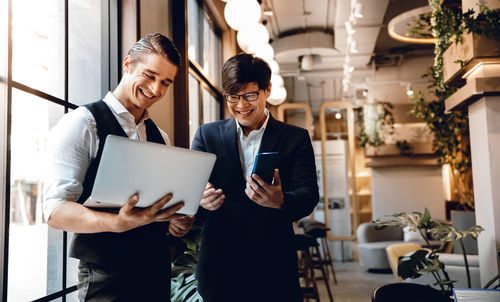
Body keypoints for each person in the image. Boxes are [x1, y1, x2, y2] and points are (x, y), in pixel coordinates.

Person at [43, 33, 195, 302]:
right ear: (127, 64)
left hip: (155, 268)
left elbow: (154, 210)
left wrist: (175, 222)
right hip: (107, 274)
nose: (156, 89)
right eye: (149, 76)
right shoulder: (82, 124)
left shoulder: (161, 137)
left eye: (166, 82)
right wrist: (117, 223)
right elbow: (55, 211)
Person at [191, 53, 319, 302]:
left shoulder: (295, 138)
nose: (241, 105)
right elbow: (190, 190)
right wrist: (201, 198)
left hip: (273, 265)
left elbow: (309, 195)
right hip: (219, 267)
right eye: (233, 97)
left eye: (250, 95)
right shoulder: (207, 136)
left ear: (267, 90)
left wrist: (281, 200)